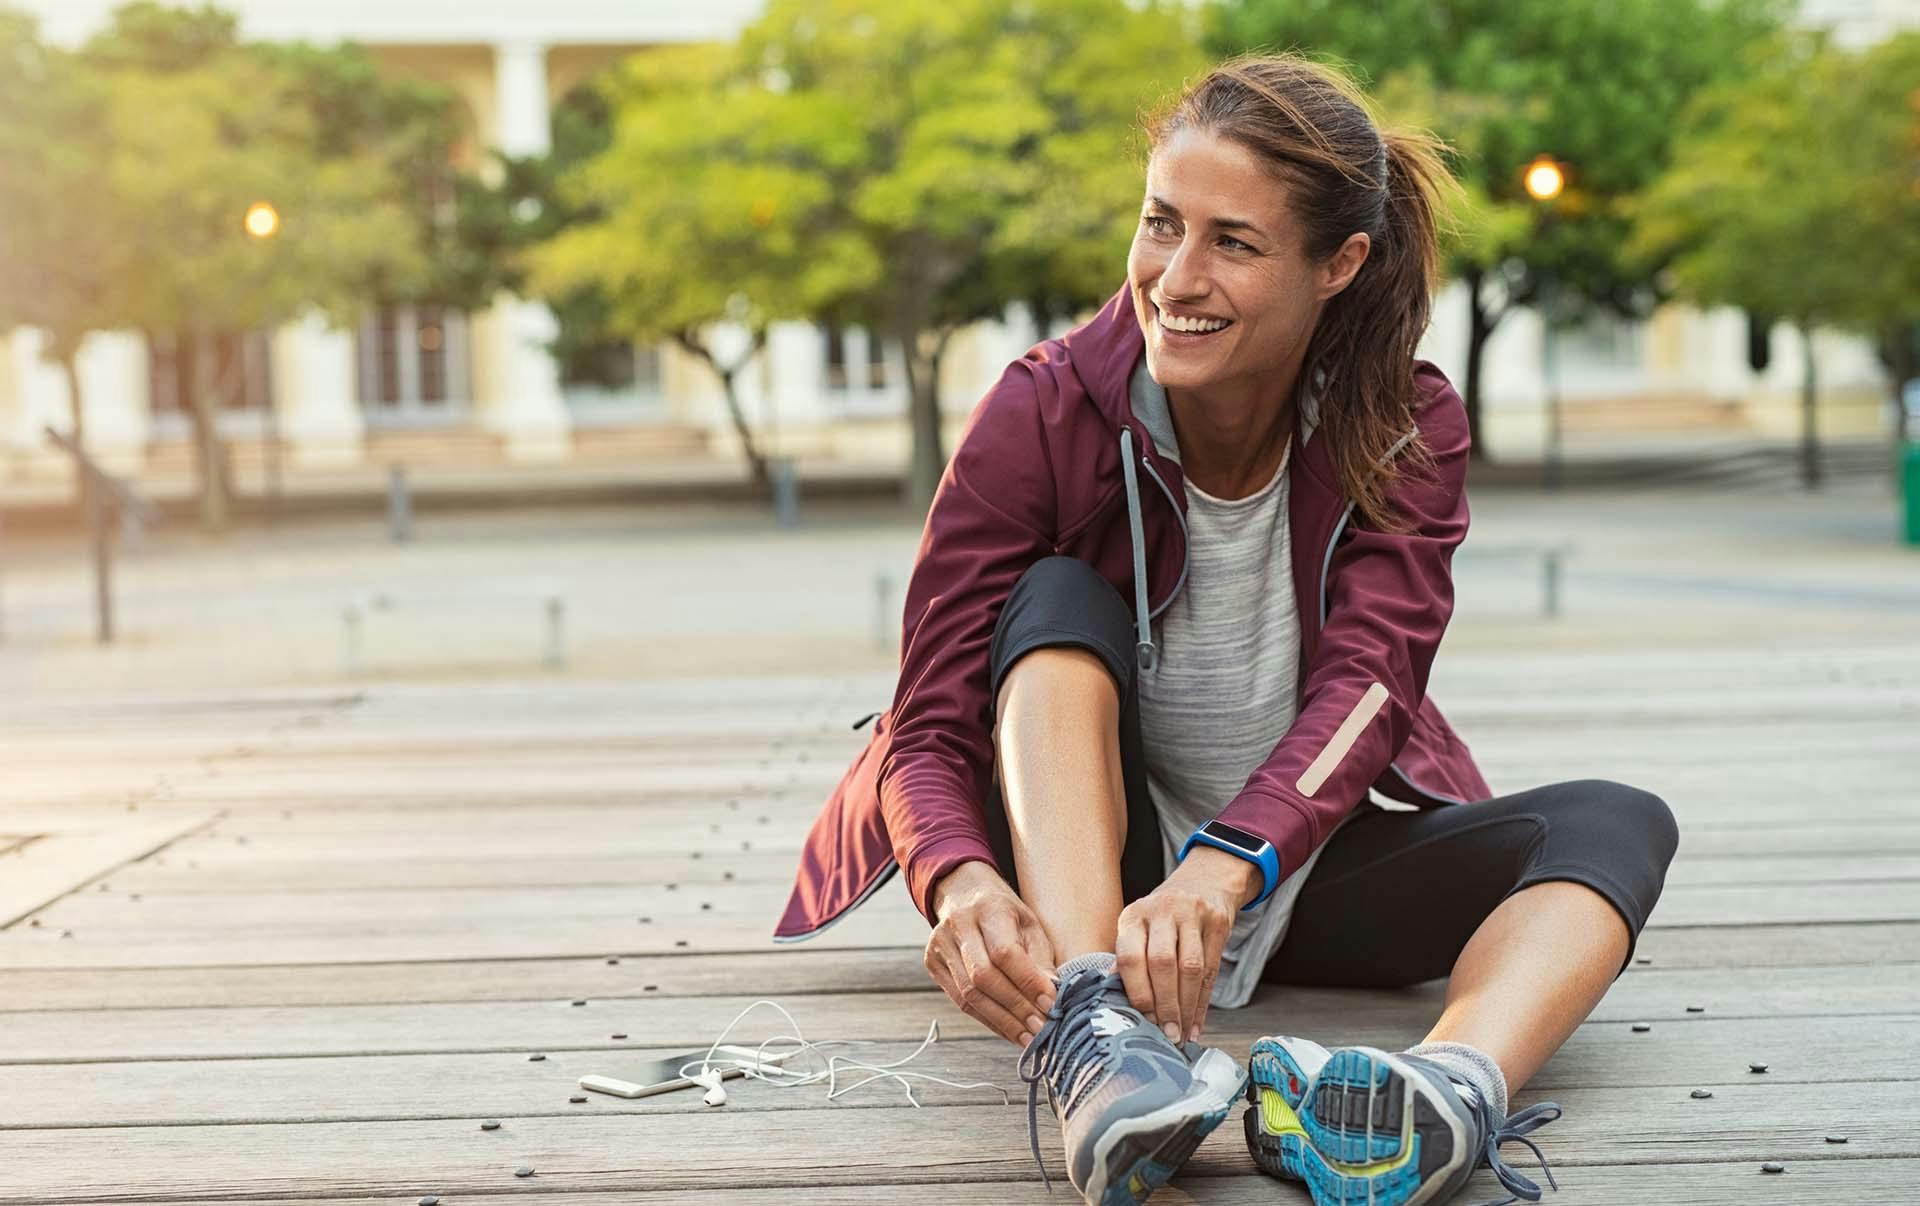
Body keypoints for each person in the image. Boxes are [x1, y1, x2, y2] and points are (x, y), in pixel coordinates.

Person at [776, 53, 1677, 1206]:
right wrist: (957, 882)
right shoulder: (1044, 406)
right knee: (1055, 599)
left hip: (1281, 869)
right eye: (1161, 224)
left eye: (1233, 243)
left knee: (1616, 823)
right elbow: (929, 712)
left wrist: (1230, 866)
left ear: (1338, 264)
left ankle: (1447, 1096)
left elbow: (1373, 683)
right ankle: (1100, 1038)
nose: (1175, 277)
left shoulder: (1406, 423)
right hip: (1095, 880)